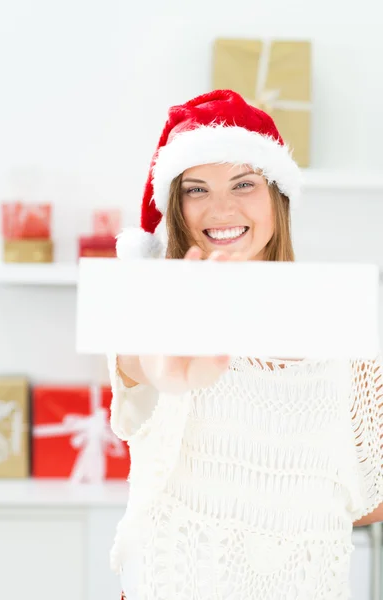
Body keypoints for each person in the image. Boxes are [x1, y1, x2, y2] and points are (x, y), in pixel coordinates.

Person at [107, 89, 383, 600]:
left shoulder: (341, 318)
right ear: (176, 204)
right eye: (196, 189)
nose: (221, 208)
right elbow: (145, 364)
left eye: (243, 183)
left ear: (277, 194)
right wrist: (171, 367)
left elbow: (370, 497)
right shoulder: (150, 302)